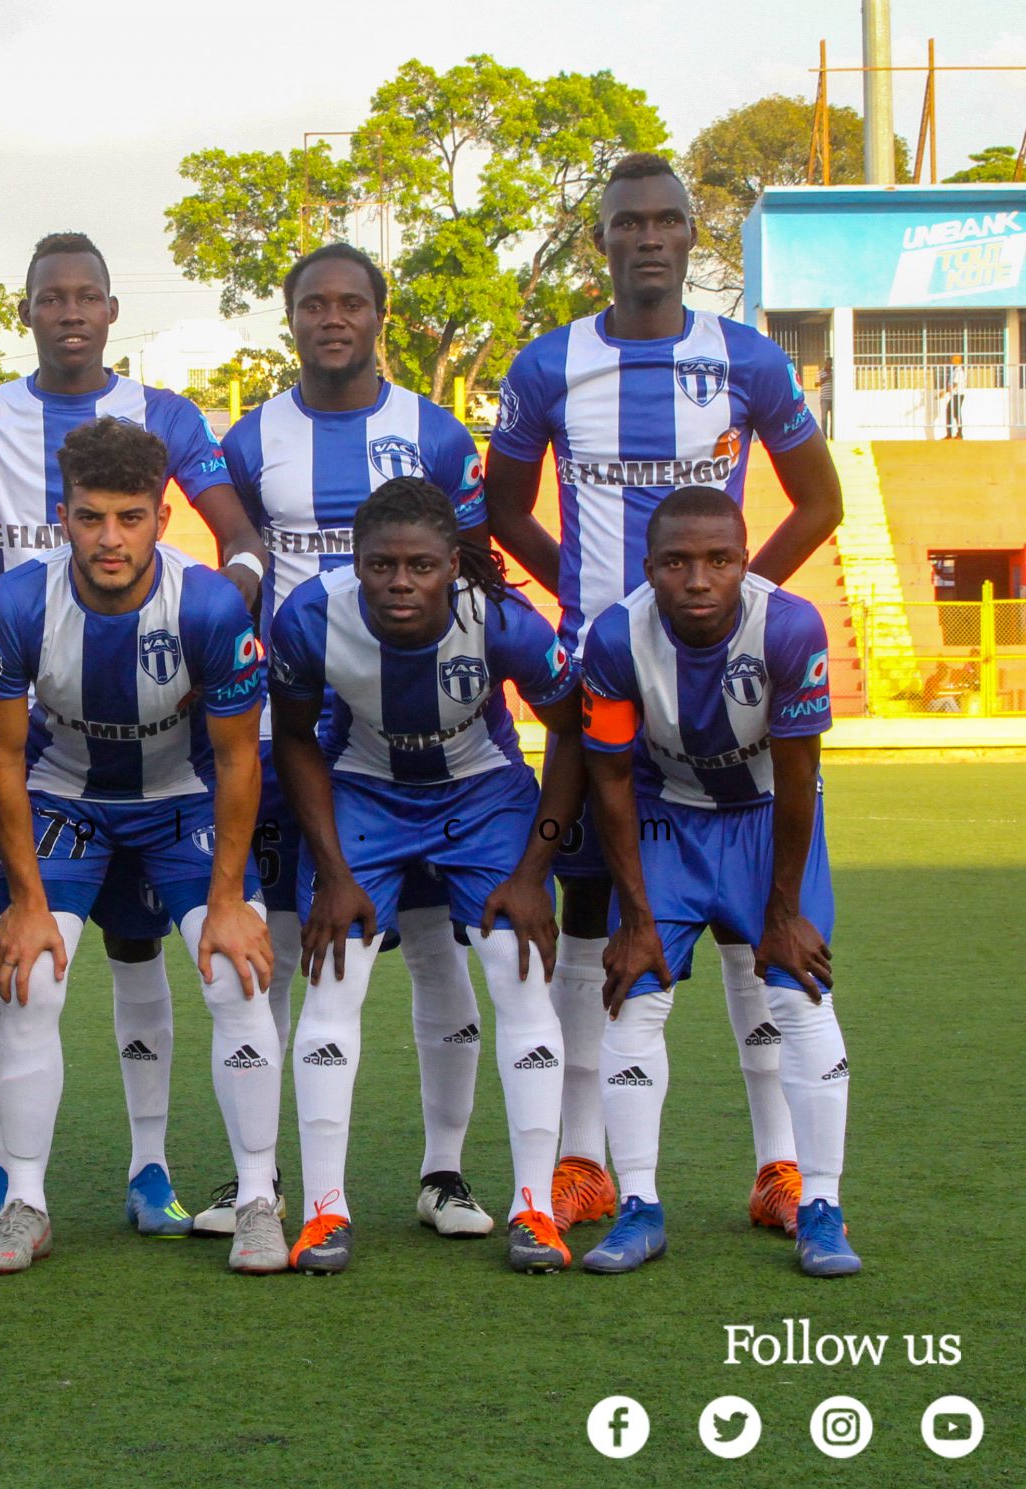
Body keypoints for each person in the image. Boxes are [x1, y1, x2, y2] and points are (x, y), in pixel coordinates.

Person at [484, 151, 842, 1239]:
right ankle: (586, 1162)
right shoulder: (547, 366)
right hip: (603, 686)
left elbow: (817, 500)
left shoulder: (746, 359)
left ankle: (778, 1166)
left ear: (694, 237)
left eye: (664, 221)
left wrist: (739, 596)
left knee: (751, 929)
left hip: (721, 684)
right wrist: (596, 608)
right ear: (599, 242)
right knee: (595, 918)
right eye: (624, 222)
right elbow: (501, 511)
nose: (645, 237)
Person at [0, 230, 271, 1243]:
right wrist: (26, 900)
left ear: (158, 515)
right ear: (60, 516)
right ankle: (23, 1198)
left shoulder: (208, 609)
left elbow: (234, 759)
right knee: (29, 977)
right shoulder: (12, 604)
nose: (110, 537)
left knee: (229, 970)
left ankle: (253, 1196)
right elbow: (0, 757)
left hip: (175, 801)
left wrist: (227, 898)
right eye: (89, 518)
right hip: (62, 798)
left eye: (131, 517)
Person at [222, 242, 499, 1240]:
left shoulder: (433, 430)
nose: (330, 318)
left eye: (350, 303)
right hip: (295, 720)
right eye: (312, 303)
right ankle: (267, 1180)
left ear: (379, 316)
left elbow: (475, 565)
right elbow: (240, 554)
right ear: (287, 318)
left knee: (431, 942)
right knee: (294, 942)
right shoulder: (251, 437)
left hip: (422, 728)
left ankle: (442, 1172)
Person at [269, 477, 585, 1275]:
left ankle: (535, 1209)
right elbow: (297, 740)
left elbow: (574, 738)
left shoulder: (506, 621)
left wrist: (534, 863)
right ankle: (322, 1211)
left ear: (454, 564)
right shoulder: (311, 615)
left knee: (518, 972)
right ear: (357, 561)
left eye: (419, 566)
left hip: (482, 794)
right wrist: (334, 869)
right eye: (381, 566)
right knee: (334, 973)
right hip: (365, 791)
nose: (399, 583)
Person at [576, 487, 859, 1278]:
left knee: (800, 992)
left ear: (744, 562)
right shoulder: (614, 638)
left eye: (719, 560)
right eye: (677, 562)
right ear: (649, 568)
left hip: (768, 816)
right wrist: (634, 915)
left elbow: (802, 776)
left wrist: (784, 911)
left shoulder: (790, 625)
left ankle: (822, 1205)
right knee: (636, 991)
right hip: (667, 816)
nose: (698, 579)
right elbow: (610, 784)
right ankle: (639, 1205)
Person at [944, 354, 965, 440]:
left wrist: (945, 391)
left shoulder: (959, 371)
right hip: (955, 394)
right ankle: (951, 434)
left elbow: (955, 384)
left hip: (958, 394)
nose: (952, 361)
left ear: (958, 361)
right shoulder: (955, 370)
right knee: (952, 413)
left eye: (954, 359)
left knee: (955, 413)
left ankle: (958, 434)